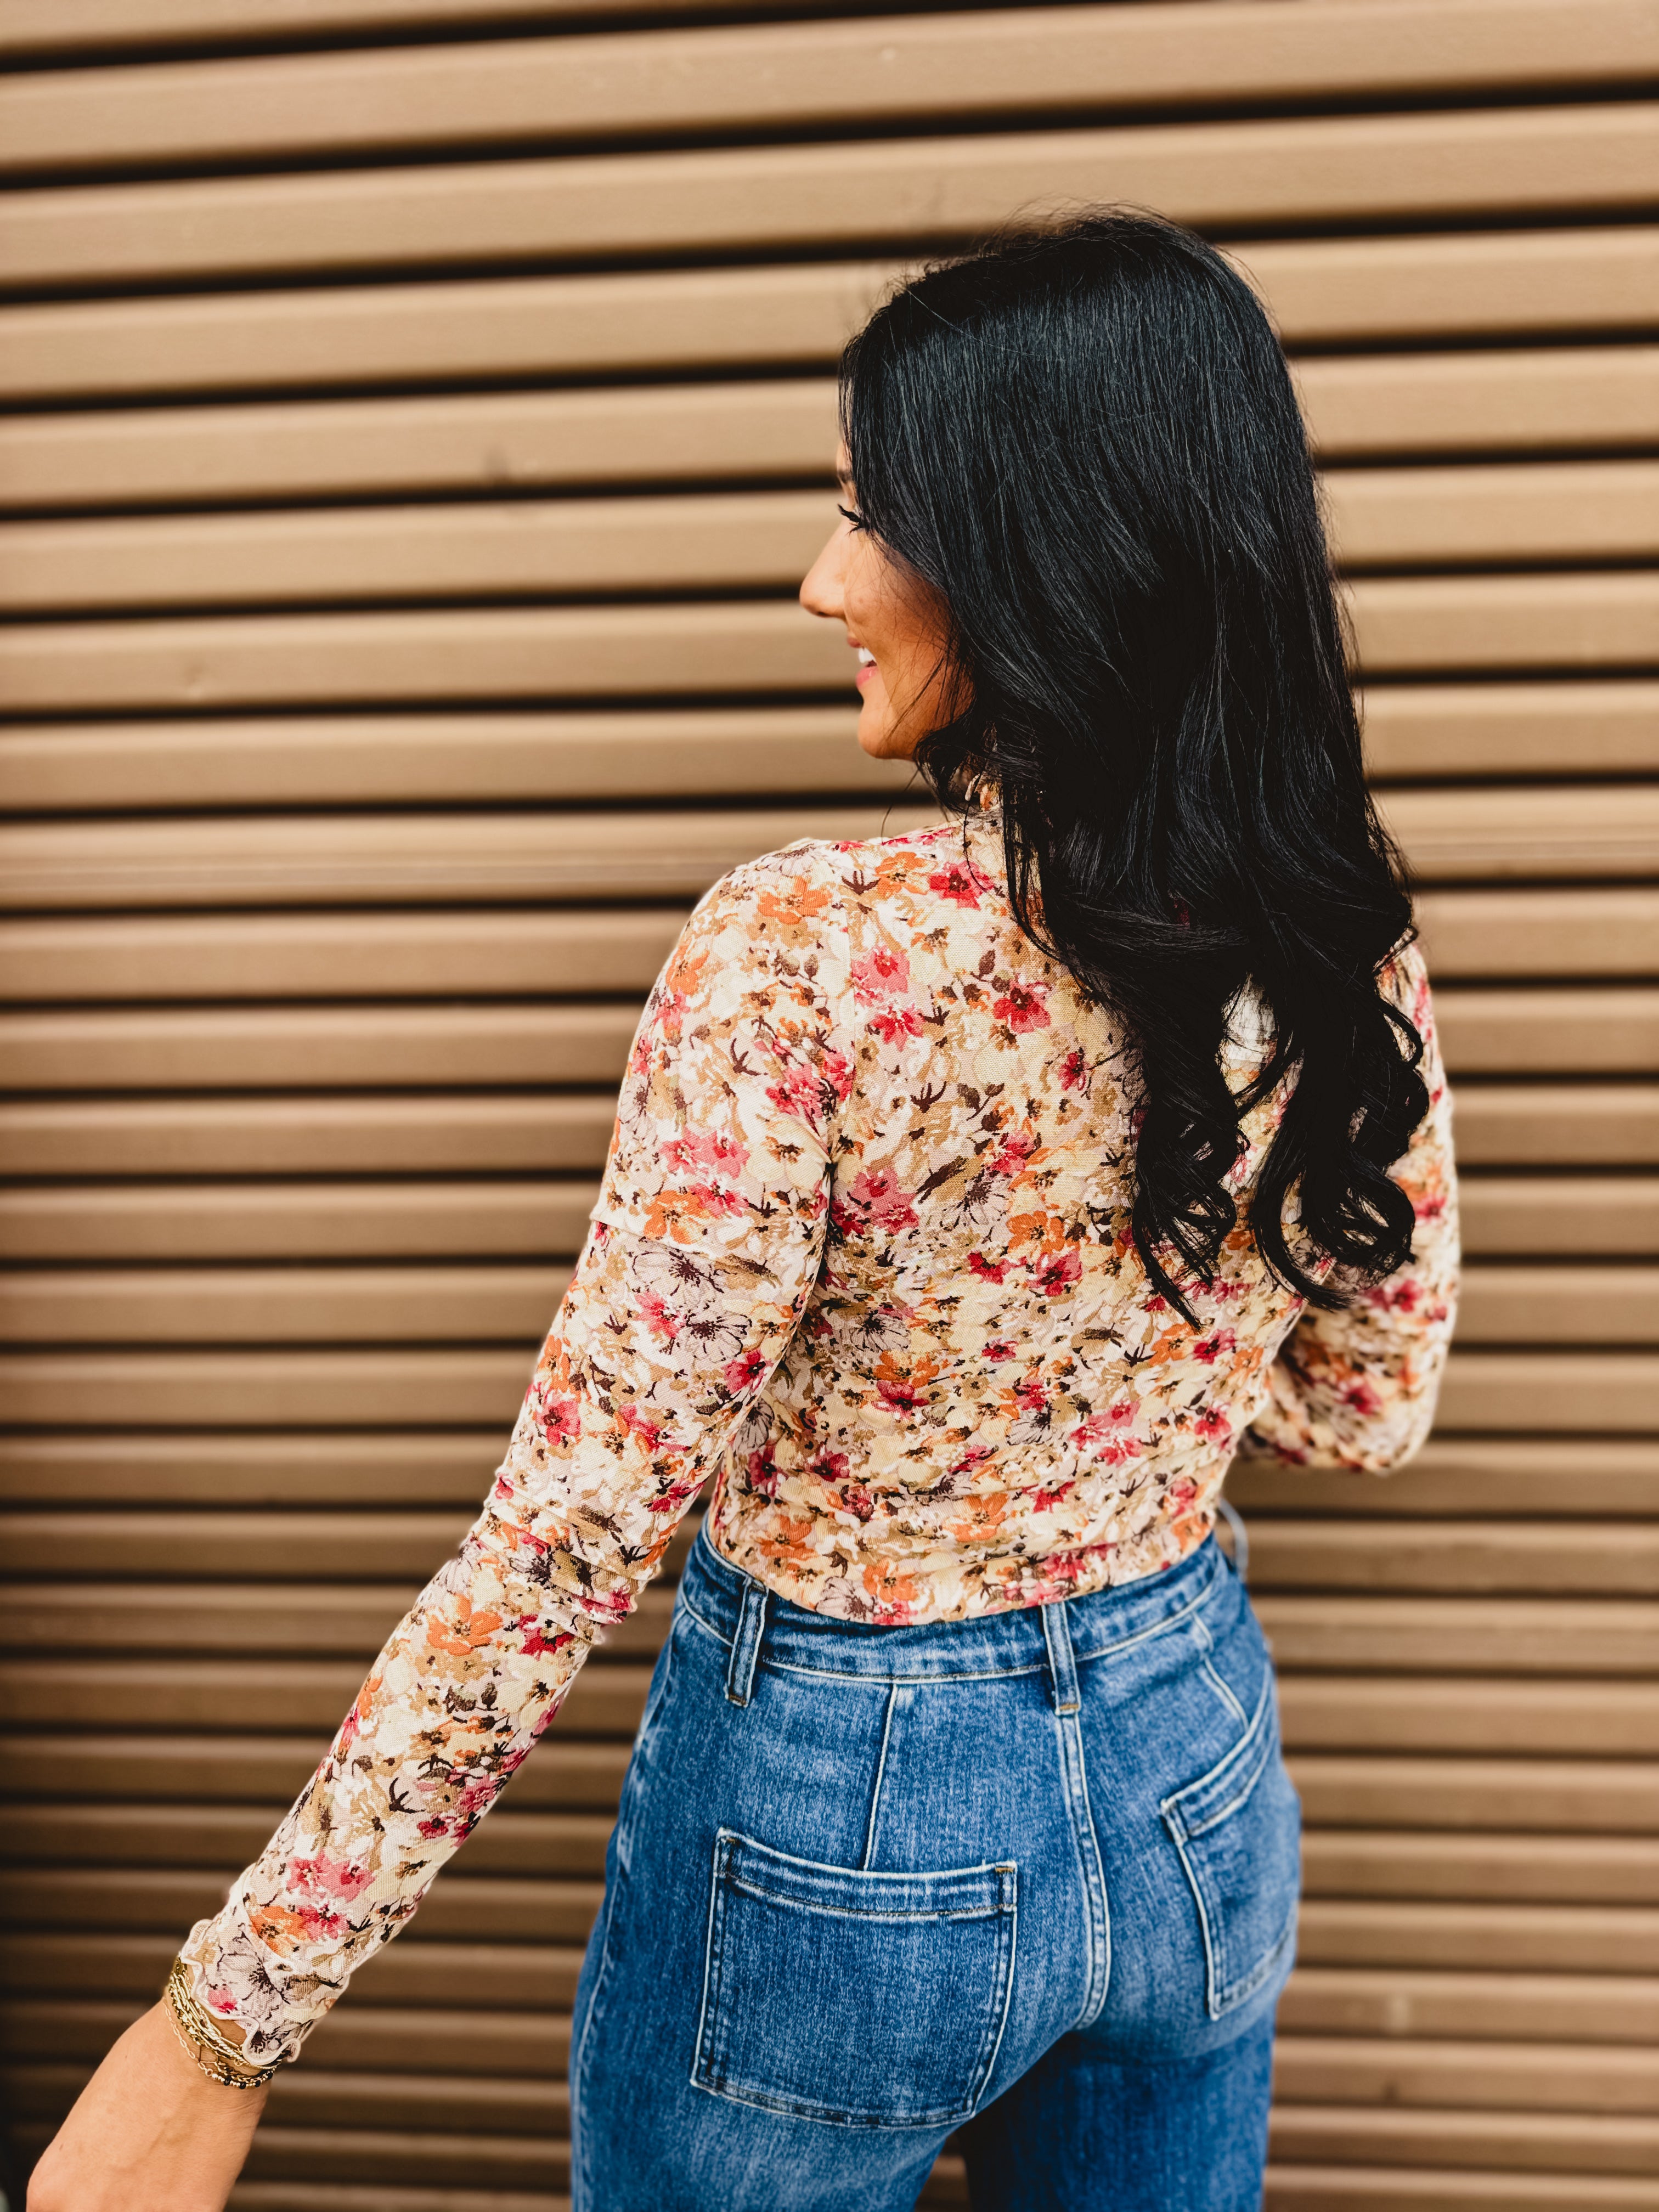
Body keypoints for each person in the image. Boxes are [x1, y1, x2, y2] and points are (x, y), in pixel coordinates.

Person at [30, 210, 1458, 2212]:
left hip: (845, 1826)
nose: (821, 577)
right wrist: (1118, 1380)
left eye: (876, 510)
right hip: (1194, 1766)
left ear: (1045, 560)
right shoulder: (1337, 926)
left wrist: (220, 2032)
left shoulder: (805, 956)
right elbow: (1368, 1407)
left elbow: (574, 1532)